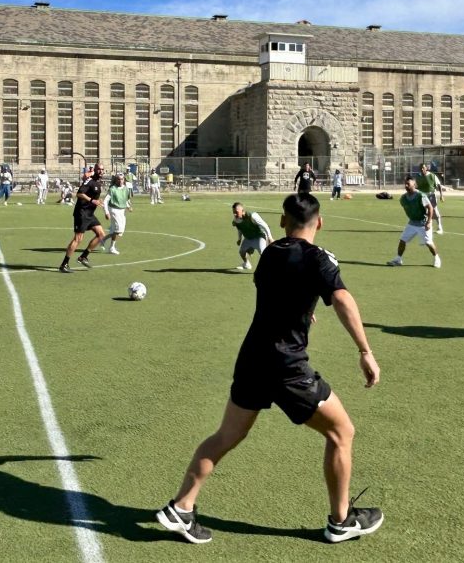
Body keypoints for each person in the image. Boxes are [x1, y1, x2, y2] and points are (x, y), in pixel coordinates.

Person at [156, 192, 382, 545]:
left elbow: (280, 293)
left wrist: (304, 311)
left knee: (225, 436)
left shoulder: (269, 255)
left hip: (252, 359)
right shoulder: (319, 258)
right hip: (286, 365)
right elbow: (341, 298)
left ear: (282, 221)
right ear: (319, 222)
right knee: (342, 433)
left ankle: (181, 507)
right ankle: (341, 521)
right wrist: (365, 350)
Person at [59, 163, 106, 273]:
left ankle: (83, 256)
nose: (101, 171)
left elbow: (94, 197)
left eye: (102, 169)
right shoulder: (89, 181)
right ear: (95, 170)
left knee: (101, 234)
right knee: (78, 239)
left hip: (90, 214)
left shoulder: (98, 183)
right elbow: (79, 194)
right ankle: (64, 264)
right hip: (82, 213)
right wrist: (91, 200)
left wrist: (99, 202)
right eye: (99, 169)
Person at [387, 176, 441, 268]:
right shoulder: (403, 198)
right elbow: (406, 208)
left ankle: (437, 258)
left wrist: (428, 222)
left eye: (408, 184)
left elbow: (430, 208)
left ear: (414, 185)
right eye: (405, 184)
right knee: (402, 241)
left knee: (428, 243)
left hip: (423, 223)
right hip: (412, 223)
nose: (406, 185)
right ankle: (398, 259)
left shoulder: (421, 195)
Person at [232, 202, 274, 270]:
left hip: (259, 236)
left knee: (262, 252)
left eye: (236, 212)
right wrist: (239, 238)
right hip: (248, 238)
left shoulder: (253, 216)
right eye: (233, 212)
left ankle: (271, 267)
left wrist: (270, 237)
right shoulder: (236, 219)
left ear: (242, 210)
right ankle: (246, 264)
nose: (234, 214)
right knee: (241, 252)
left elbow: (265, 226)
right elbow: (240, 228)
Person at [104, 173, 133, 255]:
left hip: (122, 210)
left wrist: (128, 206)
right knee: (118, 229)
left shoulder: (126, 189)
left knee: (120, 232)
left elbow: (125, 199)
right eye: (118, 179)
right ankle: (111, 248)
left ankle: (103, 239)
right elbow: (105, 201)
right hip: (114, 210)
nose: (120, 181)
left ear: (124, 180)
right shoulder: (112, 189)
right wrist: (106, 212)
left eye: (122, 179)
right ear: (116, 180)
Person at [414, 163, 445, 234]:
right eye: (420, 168)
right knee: (423, 212)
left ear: (426, 168)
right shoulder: (418, 177)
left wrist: (441, 195)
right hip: (422, 196)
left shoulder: (432, 176)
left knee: (434, 210)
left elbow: (439, 185)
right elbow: (416, 187)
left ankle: (440, 227)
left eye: (423, 168)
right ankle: (426, 226)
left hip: (431, 195)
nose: (422, 169)